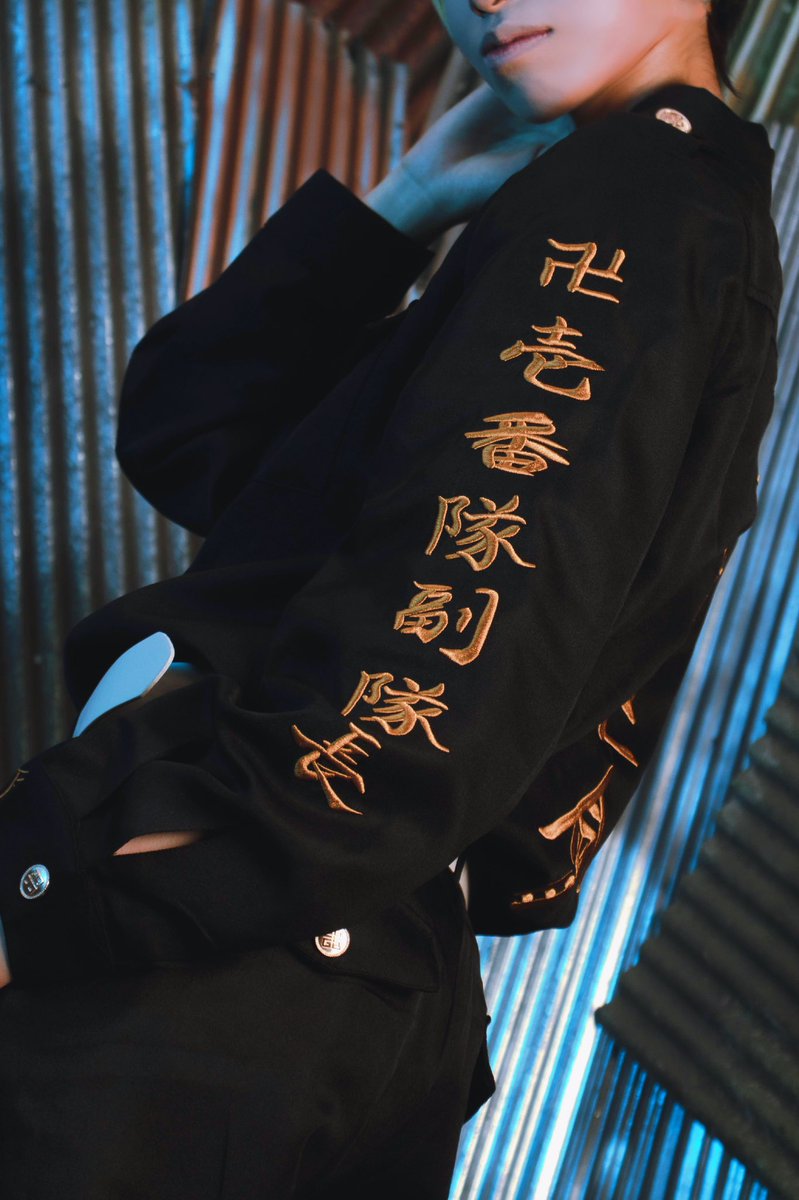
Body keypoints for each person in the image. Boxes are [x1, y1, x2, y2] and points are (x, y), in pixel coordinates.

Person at [0, 0, 781, 1195]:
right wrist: (404, 201)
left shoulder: (630, 197)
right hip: (323, 982)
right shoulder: (684, 210)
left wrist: (50, 895)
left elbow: (431, 682)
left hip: (216, 958)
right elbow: (197, 439)